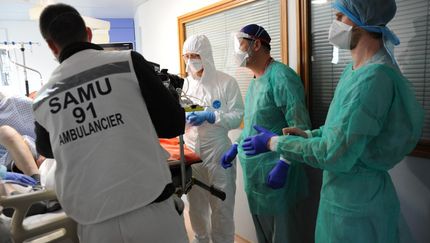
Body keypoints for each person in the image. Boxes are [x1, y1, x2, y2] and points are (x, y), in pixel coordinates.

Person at [241, 1, 424, 242]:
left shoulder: (373, 78)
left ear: (361, 19)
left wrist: (274, 143)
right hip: (342, 197)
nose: (334, 24)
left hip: (357, 207)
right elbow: (339, 130)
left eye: (340, 16)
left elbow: (333, 152)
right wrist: (308, 135)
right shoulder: (355, 70)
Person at [33, 4, 188, 242]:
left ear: (51, 45)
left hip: (95, 224)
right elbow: (173, 125)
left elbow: (46, 149)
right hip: (151, 210)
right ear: (88, 32)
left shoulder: (42, 96)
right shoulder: (128, 63)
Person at [221, 24, 311, 243]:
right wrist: (236, 145)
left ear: (257, 44)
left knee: (285, 234)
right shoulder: (255, 82)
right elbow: (255, 122)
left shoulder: (281, 77)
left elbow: (300, 126)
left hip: (278, 172)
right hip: (256, 174)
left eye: (240, 44)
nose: (237, 51)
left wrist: (285, 163)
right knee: (263, 234)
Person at [182, 34, 244, 243]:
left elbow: (237, 116)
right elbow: (182, 111)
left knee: (221, 207)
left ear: (205, 55)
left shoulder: (225, 82)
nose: (191, 60)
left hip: (218, 152)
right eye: (187, 56)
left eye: (195, 55)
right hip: (192, 151)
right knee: (196, 206)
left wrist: (212, 116)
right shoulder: (186, 84)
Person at [0, 91, 41, 186]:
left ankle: (37, 184)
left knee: (5, 132)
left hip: (36, 155)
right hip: (6, 170)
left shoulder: (16, 103)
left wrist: (47, 154)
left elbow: (51, 127)